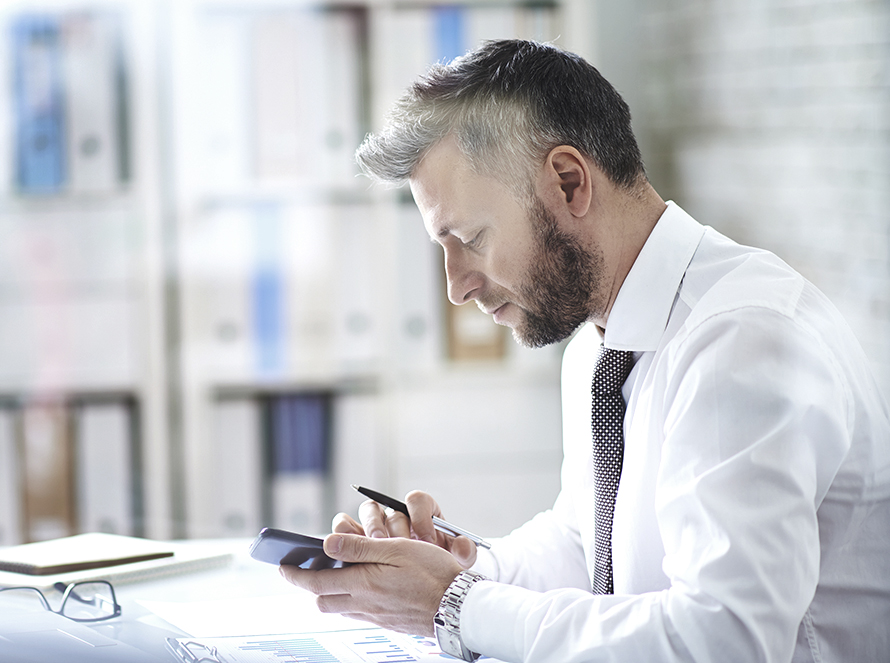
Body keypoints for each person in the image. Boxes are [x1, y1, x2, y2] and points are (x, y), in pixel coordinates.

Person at [280, 39, 890, 662]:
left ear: (568, 183)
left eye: (470, 238)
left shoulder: (745, 342)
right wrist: (460, 567)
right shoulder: (601, 345)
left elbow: (725, 641)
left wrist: (454, 606)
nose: (456, 287)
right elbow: (588, 547)